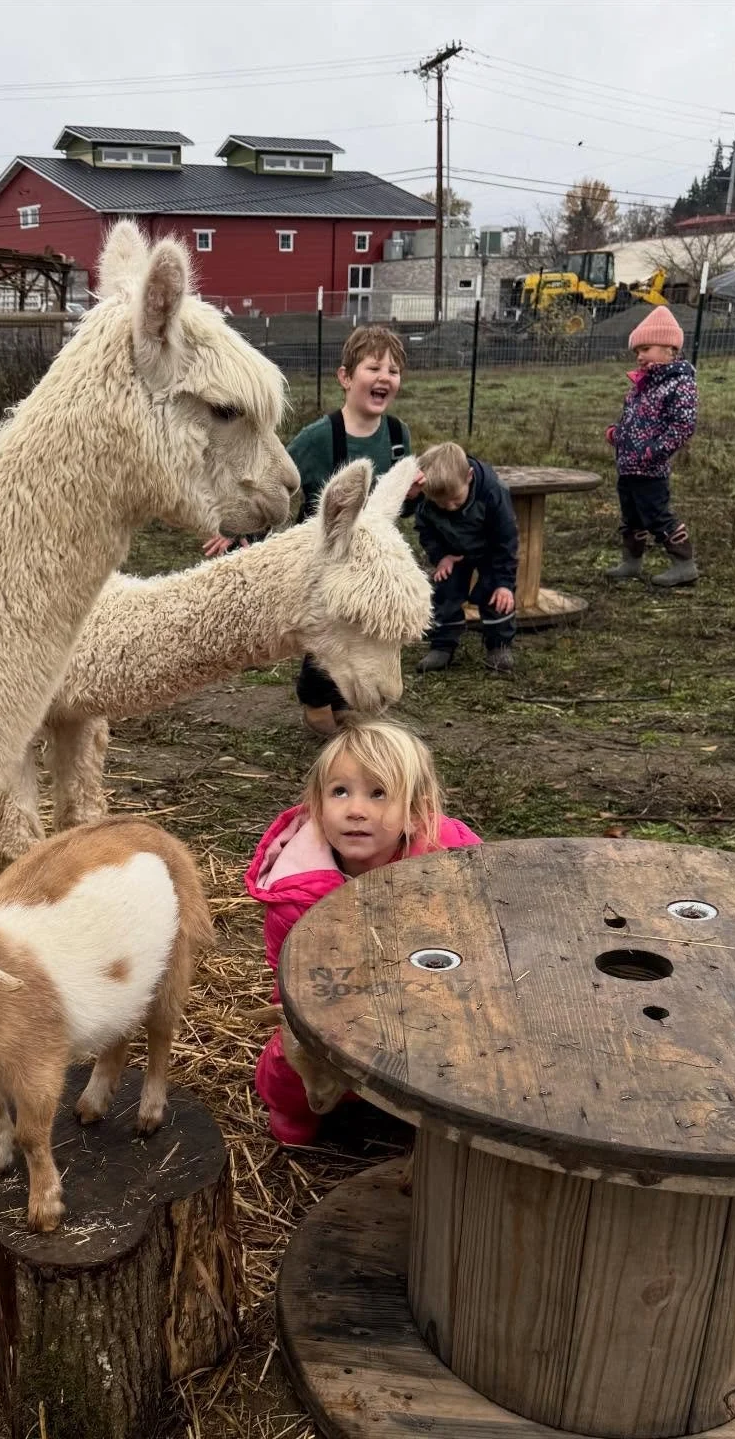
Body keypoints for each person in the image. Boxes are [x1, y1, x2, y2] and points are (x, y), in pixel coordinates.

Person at [245, 720, 481, 1145]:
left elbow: (476, 932)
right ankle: (292, 1109)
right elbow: (289, 978)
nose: (356, 809)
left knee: (462, 1054)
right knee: (292, 1057)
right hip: (333, 999)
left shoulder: (448, 868)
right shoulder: (296, 894)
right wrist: (303, 1019)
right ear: (317, 805)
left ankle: (434, 1121)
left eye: (378, 794)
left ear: (414, 812)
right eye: (340, 792)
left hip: (420, 994)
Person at [225, 325, 413, 734]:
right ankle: (317, 706)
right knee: (329, 627)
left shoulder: (398, 436)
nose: (385, 377)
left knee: (370, 629)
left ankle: (348, 703)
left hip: (371, 563)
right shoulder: (318, 438)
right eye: (374, 367)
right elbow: (277, 487)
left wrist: (414, 497)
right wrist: (244, 534)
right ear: (346, 377)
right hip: (323, 561)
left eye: (394, 370)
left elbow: (403, 504)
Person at [405, 440, 520, 676]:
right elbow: (425, 529)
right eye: (441, 503)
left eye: (455, 500)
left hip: (490, 550)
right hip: (452, 552)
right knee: (444, 588)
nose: (449, 507)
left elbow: (506, 540)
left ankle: (498, 646)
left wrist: (504, 583)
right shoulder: (428, 499)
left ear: (468, 477)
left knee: (495, 595)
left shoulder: (492, 491)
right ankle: (443, 645)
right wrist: (441, 557)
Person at [604, 307, 699, 587]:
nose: (640, 356)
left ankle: (684, 564)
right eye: (637, 351)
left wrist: (653, 452)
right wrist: (617, 434)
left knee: (657, 516)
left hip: (651, 468)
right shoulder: (642, 385)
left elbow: (683, 425)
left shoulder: (680, 384)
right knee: (631, 517)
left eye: (645, 348)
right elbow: (634, 421)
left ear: (670, 349)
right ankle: (631, 562)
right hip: (628, 465)